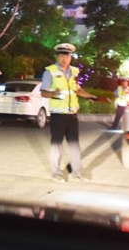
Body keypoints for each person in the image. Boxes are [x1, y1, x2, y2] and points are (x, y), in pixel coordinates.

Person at [40, 43, 98, 183]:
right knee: (56, 145)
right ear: (57, 57)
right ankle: (56, 173)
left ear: (70, 57)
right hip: (58, 113)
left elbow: (77, 90)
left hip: (72, 114)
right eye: (61, 56)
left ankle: (77, 173)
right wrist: (53, 93)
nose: (64, 59)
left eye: (67, 56)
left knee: (74, 145)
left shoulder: (74, 72)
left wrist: (89, 96)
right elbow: (43, 92)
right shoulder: (50, 72)